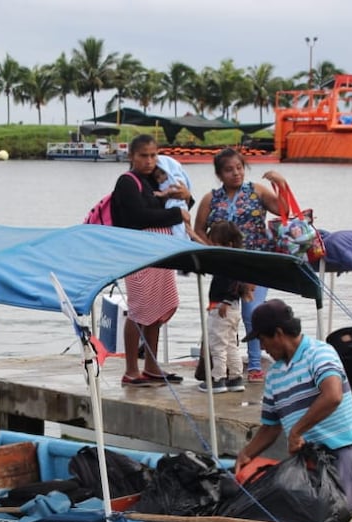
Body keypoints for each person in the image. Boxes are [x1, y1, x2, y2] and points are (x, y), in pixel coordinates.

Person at [233, 299, 352, 509]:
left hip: (340, 454)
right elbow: (271, 426)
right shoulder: (275, 374)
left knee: (340, 519)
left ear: (278, 334)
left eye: (262, 339)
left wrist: (296, 431)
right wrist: (247, 453)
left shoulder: (320, 353)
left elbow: (332, 395)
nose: (262, 347)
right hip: (306, 463)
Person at [193, 147, 291, 383]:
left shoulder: (255, 191)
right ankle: (226, 367)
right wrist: (214, 251)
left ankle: (255, 365)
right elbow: (198, 229)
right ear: (219, 174)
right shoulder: (211, 198)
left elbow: (283, 211)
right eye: (229, 170)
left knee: (251, 311)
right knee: (223, 316)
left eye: (239, 168)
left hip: (256, 262)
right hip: (226, 267)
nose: (236, 174)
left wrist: (282, 184)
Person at [111, 134, 191, 387]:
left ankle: (152, 367)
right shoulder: (127, 181)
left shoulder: (150, 180)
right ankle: (131, 369)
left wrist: (180, 198)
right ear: (131, 157)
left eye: (153, 155)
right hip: (139, 252)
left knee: (158, 308)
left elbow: (167, 205)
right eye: (143, 155)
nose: (149, 160)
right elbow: (137, 216)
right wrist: (175, 213)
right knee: (139, 309)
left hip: (158, 252)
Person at [199, 221, 253, 393]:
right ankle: (236, 378)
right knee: (231, 344)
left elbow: (233, 284)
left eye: (215, 243)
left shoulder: (227, 263)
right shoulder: (238, 261)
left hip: (222, 308)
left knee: (217, 345)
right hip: (233, 310)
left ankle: (217, 379)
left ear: (228, 244)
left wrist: (226, 301)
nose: (213, 247)